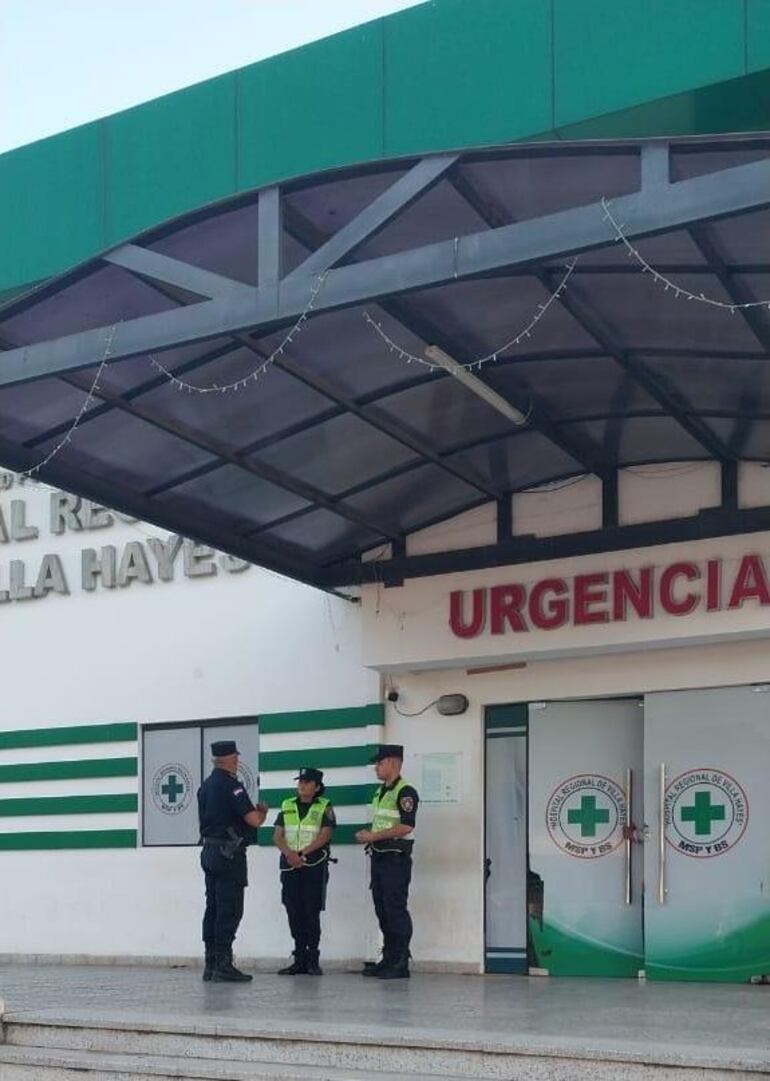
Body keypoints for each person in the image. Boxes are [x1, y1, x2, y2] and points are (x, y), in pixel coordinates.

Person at [198, 739, 267, 983]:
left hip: (209, 852)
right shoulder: (232, 786)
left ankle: (210, 963)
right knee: (229, 908)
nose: (238, 760)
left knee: (213, 907)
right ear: (226, 759)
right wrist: (263, 812)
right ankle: (223, 966)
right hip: (229, 855)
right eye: (235, 757)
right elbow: (254, 821)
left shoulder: (205, 786)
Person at [355, 744, 419, 980]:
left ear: (393, 762)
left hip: (395, 859)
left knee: (395, 909)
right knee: (382, 909)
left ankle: (401, 961)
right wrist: (369, 836)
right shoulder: (380, 792)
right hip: (379, 857)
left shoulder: (405, 791)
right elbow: (383, 823)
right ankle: (389, 958)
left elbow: (406, 826)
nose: (376, 768)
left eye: (380, 763)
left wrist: (372, 836)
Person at [274, 767, 336, 975]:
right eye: (300, 781)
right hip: (291, 865)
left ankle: (312, 958)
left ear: (317, 787)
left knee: (311, 911)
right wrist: (290, 854)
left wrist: (302, 853)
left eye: (307, 782)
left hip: (313, 866)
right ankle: (298, 957)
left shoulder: (325, 806)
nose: (301, 785)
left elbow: (325, 834)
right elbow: (277, 835)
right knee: (293, 910)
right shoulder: (287, 805)